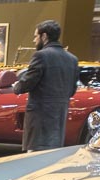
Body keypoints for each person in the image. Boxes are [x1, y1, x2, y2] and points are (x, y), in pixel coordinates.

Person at [13, 20, 79, 151]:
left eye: (36, 36)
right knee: (51, 159)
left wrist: (16, 86)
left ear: (44, 36)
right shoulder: (72, 59)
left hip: (39, 119)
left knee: (34, 160)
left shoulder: (40, 56)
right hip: (59, 119)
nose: (34, 40)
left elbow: (27, 83)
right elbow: (72, 90)